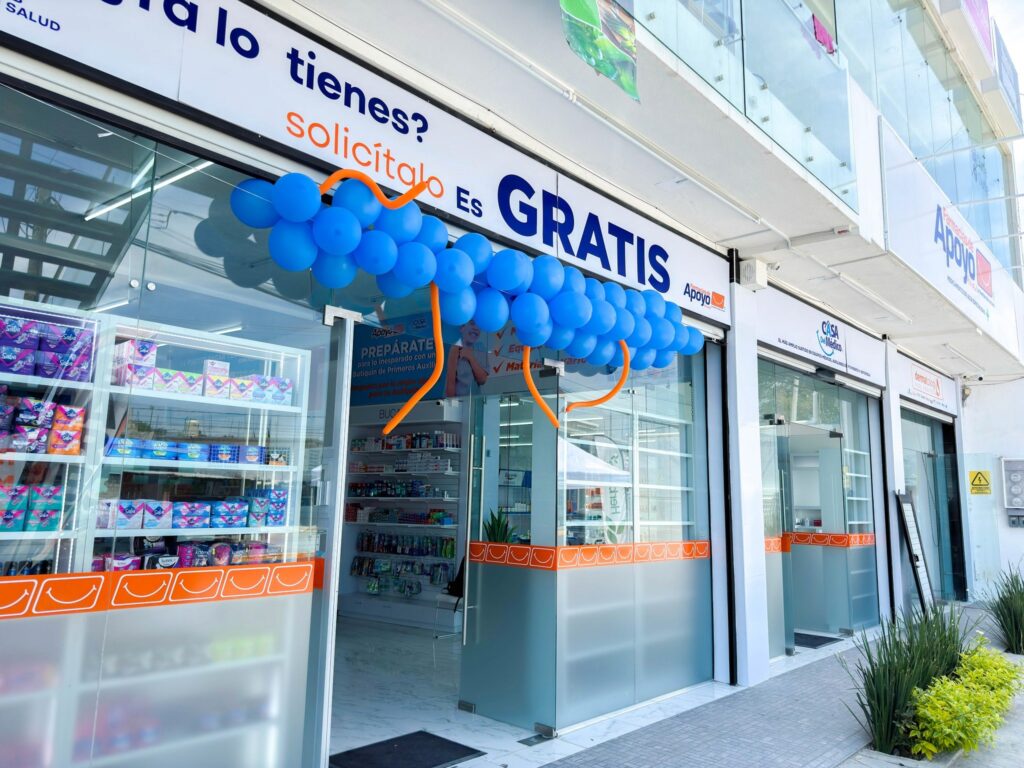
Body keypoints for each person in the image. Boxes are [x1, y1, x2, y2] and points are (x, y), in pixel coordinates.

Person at [445, 320, 488, 396]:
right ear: (462, 328)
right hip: (460, 400)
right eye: (472, 324)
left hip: (476, 400)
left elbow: (482, 380)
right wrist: (452, 402)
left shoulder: (480, 347)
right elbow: (450, 383)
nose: (476, 328)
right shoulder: (455, 349)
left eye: (478, 325)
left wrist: (470, 357)